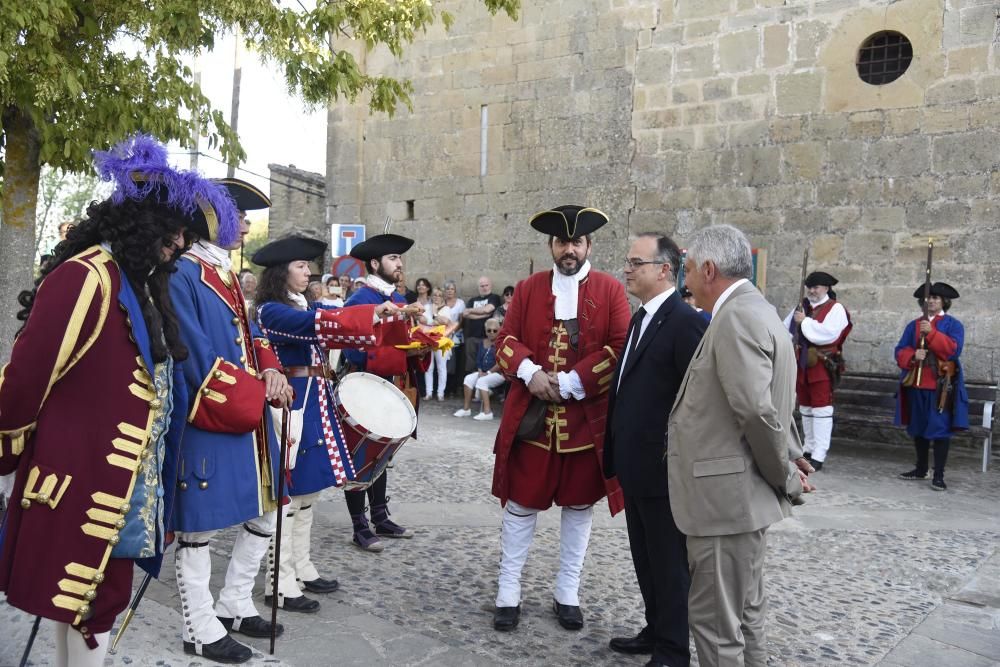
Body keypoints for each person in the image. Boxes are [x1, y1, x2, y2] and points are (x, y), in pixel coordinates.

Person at [0, 134, 225, 666]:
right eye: (172, 231)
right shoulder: (86, 278)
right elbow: (26, 380)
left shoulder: (142, 287)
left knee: (89, 606)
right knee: (88, 604)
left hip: (127, 492)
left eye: (185, 236)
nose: (178, 244)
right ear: (140, 222)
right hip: (78, 480)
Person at [667, 224, 812, 667]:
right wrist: (792, 452)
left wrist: (786, 473)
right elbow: (773, 404)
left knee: (715, 628)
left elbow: (756, 411)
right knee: (745, 614)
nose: (685, 281)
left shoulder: (735, 318)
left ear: (708, 269)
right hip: (737, 500)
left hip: (723, 505)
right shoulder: (758, 309)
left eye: (688, 271)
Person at [168, 177, 294, 664]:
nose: (245, 224)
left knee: (266, 508)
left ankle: (235, 602)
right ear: (209, 216)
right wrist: (256, 389)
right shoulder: (183, 274)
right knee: (198, 526)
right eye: (236, 214)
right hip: (210, 413)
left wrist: (268, 366)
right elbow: (195, 359)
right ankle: (198, 627)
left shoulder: (223, 272)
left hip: (247, 409)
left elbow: (254, 329)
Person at [252, 235, 409, 613]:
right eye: (301, 266)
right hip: (292, 405)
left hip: (313, 400)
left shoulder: (303, 302)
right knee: (288, 499)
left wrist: (390, 316)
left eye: (308, 266)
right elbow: (317, 324)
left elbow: (337, 323)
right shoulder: (271, 311)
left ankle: (302, 567)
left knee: (308, 494)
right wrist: (373, 312)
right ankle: (280, 582)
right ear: (281, 272)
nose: (309, 272)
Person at [491, 205, 629, 632]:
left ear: (589, 245)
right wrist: (531, 373)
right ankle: (508, 590)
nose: (569, 250)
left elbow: (620, 345)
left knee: (578, 506)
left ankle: (567, 590)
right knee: (520, 506)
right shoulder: (530, 287)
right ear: (551, 246)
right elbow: (505, 340)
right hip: (533, 422)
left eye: (576, 242)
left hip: (584, 425)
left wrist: (572, 382)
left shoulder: (610, 290)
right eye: (561, 242)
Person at [603, 233, 707, 667]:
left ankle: (672, 650)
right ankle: (656, 627)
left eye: (635, 262)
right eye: (627, 261)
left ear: (664, 269)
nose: (626, 269)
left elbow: (699, 401)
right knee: (645, 558)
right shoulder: (641, 317)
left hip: (665, 469)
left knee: (669, 564)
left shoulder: (686, 323)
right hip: (636, 465)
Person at [341, 234, 430, 552]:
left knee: (384, 455)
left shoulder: (401, 300)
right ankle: (359, 525)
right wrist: (397, 348)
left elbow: (407, 342)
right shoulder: (359, 300)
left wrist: (422, 345)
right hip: (364, 387)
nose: (400, 263)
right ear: (376, 263)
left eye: (400, 259)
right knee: (360, 457)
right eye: (393, 258)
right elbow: (353, 352)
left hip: (393, 385)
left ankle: (380, 516)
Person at [894, 282, 968, 491]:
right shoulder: (913, 325)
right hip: (916, 383)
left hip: (940, 387)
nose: (932, 301)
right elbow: (900, 350)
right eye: (928, 298)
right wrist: (912, 355)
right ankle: (921, 469)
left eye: (936, 298)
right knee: (918, 428)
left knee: (940, 429)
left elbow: (953, 351)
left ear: (944, 301)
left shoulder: (953, 325)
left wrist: (932, 333)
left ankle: (939, 474)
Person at [782, 271, 852, 471]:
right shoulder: (801, 306)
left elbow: (827, 335)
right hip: (803, 362)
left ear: (826, 288)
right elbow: (785, 329)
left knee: (821, 408)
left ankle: (819, 453)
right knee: (805, 406)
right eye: (810, 287)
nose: (812, 291)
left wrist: (804, 321)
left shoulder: (835, 309)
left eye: (816, 287)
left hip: (822, 363)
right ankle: (808, 448)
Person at [453, 317, 504, 421]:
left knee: (482, 381)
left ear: (499, 331)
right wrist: (480, 370)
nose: (491, 333)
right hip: (484, 372)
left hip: (499, 374)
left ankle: (487, 412)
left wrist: (488, 372)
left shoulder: (502, 343)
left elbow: (500, 363)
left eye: (495, 330)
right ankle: (466, 409)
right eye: (489, 330)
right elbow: (479, 359)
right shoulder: (483, 342)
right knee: (468, 379)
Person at [462, 276, 502, 382]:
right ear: (478, 287)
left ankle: (485, 387)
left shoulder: (494, 297)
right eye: (482, 286)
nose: (484, 288)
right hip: (472, 337)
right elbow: (465, 314)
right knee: (471, 363)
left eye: (486, 285)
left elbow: (489, 309)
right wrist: (484, 314)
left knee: (486, 363)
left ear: (490, 285)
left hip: (488, 338)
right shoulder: (472, 300)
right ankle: (472, 385)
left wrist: (473, 311)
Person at [424, 287, 457, 401]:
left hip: (441, 341)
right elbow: (424, 322)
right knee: (429, 367)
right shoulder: (426, 307)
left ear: (442, 297)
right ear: (431, 296)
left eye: (439, 295)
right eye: (435, 295)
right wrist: (435, 320)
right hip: (428, 339)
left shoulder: (446, 309)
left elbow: (445, 322)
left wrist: (434, 314)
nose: (437, 297)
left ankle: (440, 393)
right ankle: (429, 392)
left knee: (441, 368)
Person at [441, 280, 466, 396]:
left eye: (452, 289)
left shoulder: (460, 303)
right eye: (447, 289)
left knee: (454, 363)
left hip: (456, 336)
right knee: (444, 362)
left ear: (455, 291)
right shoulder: (441, 302)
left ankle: (453, 388)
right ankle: (444, 389)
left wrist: (452, 330)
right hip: (443, 335)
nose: (450, 291)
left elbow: (462, 321)